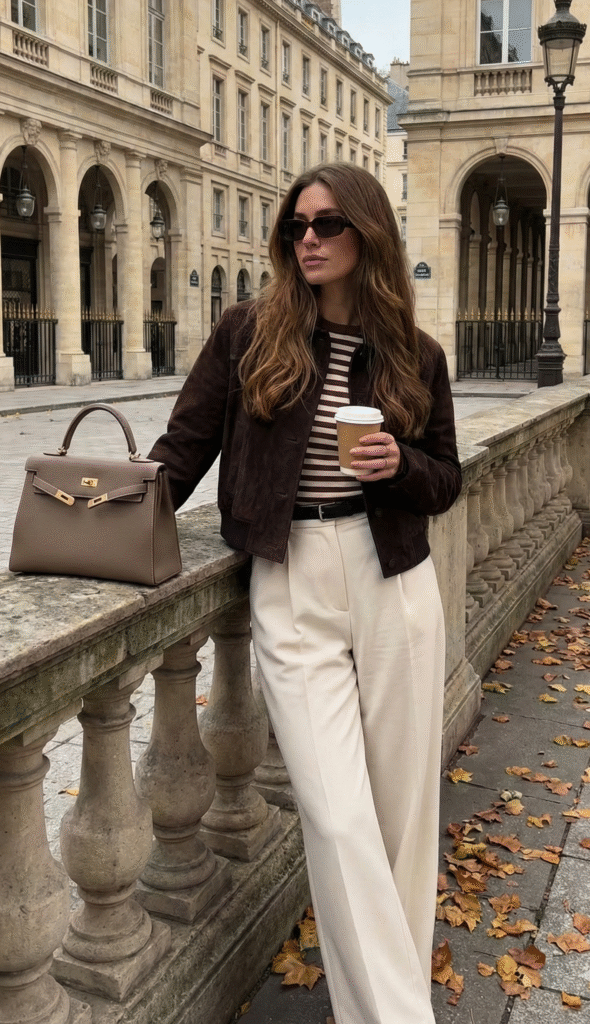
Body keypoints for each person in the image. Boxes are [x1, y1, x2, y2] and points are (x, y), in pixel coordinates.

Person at [149, 163, 462, 1024]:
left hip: (390, 575)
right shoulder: (248, 332)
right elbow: (179, 452)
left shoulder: (413, 352)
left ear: (368, 233)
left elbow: (446, 480)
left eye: (327, 224)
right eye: (297, 227)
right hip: (289, 581)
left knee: (401, 817)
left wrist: (401, 466)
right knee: (333, 815)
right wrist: (105, 523)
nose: (309, 239)